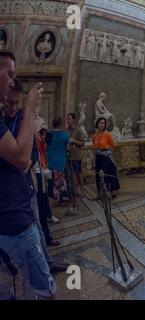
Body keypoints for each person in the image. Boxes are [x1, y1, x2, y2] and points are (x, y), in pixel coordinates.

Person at [0, 51, 57, 299]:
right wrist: (32, 109)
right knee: (43, 286)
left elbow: (26, 157)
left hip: (20, 198)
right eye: (9, 74)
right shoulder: (16, 117)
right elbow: (21, 158)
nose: (11, 81)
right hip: (12, 215)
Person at [92, 117, 120, 198]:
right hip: (98, 156)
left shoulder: (107, 135)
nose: (102, 124)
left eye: (103, 123)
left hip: (107, 156)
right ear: (97, 124)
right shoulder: (94, 136)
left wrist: (108, 152)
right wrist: (96, 149)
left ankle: (112, 190)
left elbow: (112, 145)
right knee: (99, 175)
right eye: (100, 123)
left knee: (109, 173)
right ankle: (101, 191)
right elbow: (94, 146)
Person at [47, 116, 70, 202]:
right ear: (60, 124)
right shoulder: (65, 135)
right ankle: (62, 196)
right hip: (61, 160)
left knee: (53, 179)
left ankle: (55, 195)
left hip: (51, 160)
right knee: (61, 179)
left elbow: (46, 147)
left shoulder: (49, 134)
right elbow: (68, 148)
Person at [66, 113, 85, 197]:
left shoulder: (78, 130)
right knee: (72, 174)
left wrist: (74, 141)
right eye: (67, 119)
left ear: (74, 120)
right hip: (69, 156)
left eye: (69, 119)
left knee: (78, 173)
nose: (68, 120)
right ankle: (75, 190)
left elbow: (83, 143)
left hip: (77, 156)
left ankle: (82, 189)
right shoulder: (66, 130)